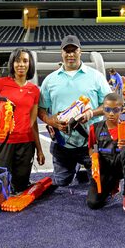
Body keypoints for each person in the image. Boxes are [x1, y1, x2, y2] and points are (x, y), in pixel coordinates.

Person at [38, 35, 112, 187]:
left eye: (74, 50)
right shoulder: (50, 80)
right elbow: (41, 109)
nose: (70, 54)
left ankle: (86, 167)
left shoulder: (96, 76)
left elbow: (109, 105)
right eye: (67, 50)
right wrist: (52, 121)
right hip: (63, 143)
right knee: (61, 182)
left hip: (90, 142)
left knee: (100, 185)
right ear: (61, 53)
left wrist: (91, 113)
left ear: (80, 52)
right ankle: (77, 167)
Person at [0, 48, 45, 193]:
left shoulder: (34, 90)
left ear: (30, 64)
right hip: (2, 143)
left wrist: (39, 150)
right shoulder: (0, 83)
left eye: (25, 61)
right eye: (17, 60)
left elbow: (33, 122)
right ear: (12, 63)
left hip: (25, 145)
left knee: (20, 188)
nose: (21, 64)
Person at [86, 93, 125, 217]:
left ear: (122, 110)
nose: (111, 113)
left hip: (122, 167)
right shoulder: (95, 128)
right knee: (93, 203)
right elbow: (91, 148)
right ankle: (112, 184)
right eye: (107, 110)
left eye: (115, 110)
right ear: (103, 110)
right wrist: (94, 157)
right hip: (105, 168)